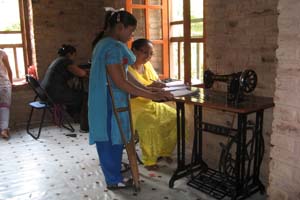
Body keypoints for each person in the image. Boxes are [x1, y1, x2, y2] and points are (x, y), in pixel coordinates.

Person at [88, 9, 173, 190]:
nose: (131, 35)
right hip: (108, 102)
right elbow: (120, 82)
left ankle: (114, 172)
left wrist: (148, 88)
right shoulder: (112, 47)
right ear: (120, 28)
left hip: (108, 99)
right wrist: (151, 95)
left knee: (115, 139)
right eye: (130, 31)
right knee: (110, 140)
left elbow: (125, 75)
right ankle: (113, 179)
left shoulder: (105, 44)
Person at [128, 38, 177, 170]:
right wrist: (152, 86)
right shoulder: (126, 69)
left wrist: (160, 85)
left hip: (150, 102)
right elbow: (130, 93)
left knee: (176, 118)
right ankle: (149, 160)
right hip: (134, 107)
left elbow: (154, 81)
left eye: (151, 54)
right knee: (151, 125)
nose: (148, 57)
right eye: (145, 53)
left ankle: (164, 151)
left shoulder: (147, 66)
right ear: (134, 51)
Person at [41, 44, 89, 131]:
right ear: (70, 54)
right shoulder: (66, 61)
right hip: (54, 94)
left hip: (46, 93)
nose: (74, 58)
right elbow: (81, 73)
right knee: (85, 96)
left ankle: (76, 117)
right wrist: (86, 72)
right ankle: (85, 126)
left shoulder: (58, 60)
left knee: (76, 93)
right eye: (74, 55)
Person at [0, 49, 13, 140]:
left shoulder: (2, 53)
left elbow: (9, 70)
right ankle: (4, 130)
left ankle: (4, 130)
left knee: (4, 107)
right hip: (4, 84)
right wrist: (11, 84)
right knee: (4, 107)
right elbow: (9, 70)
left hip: (3, 84)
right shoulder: (2, 53)